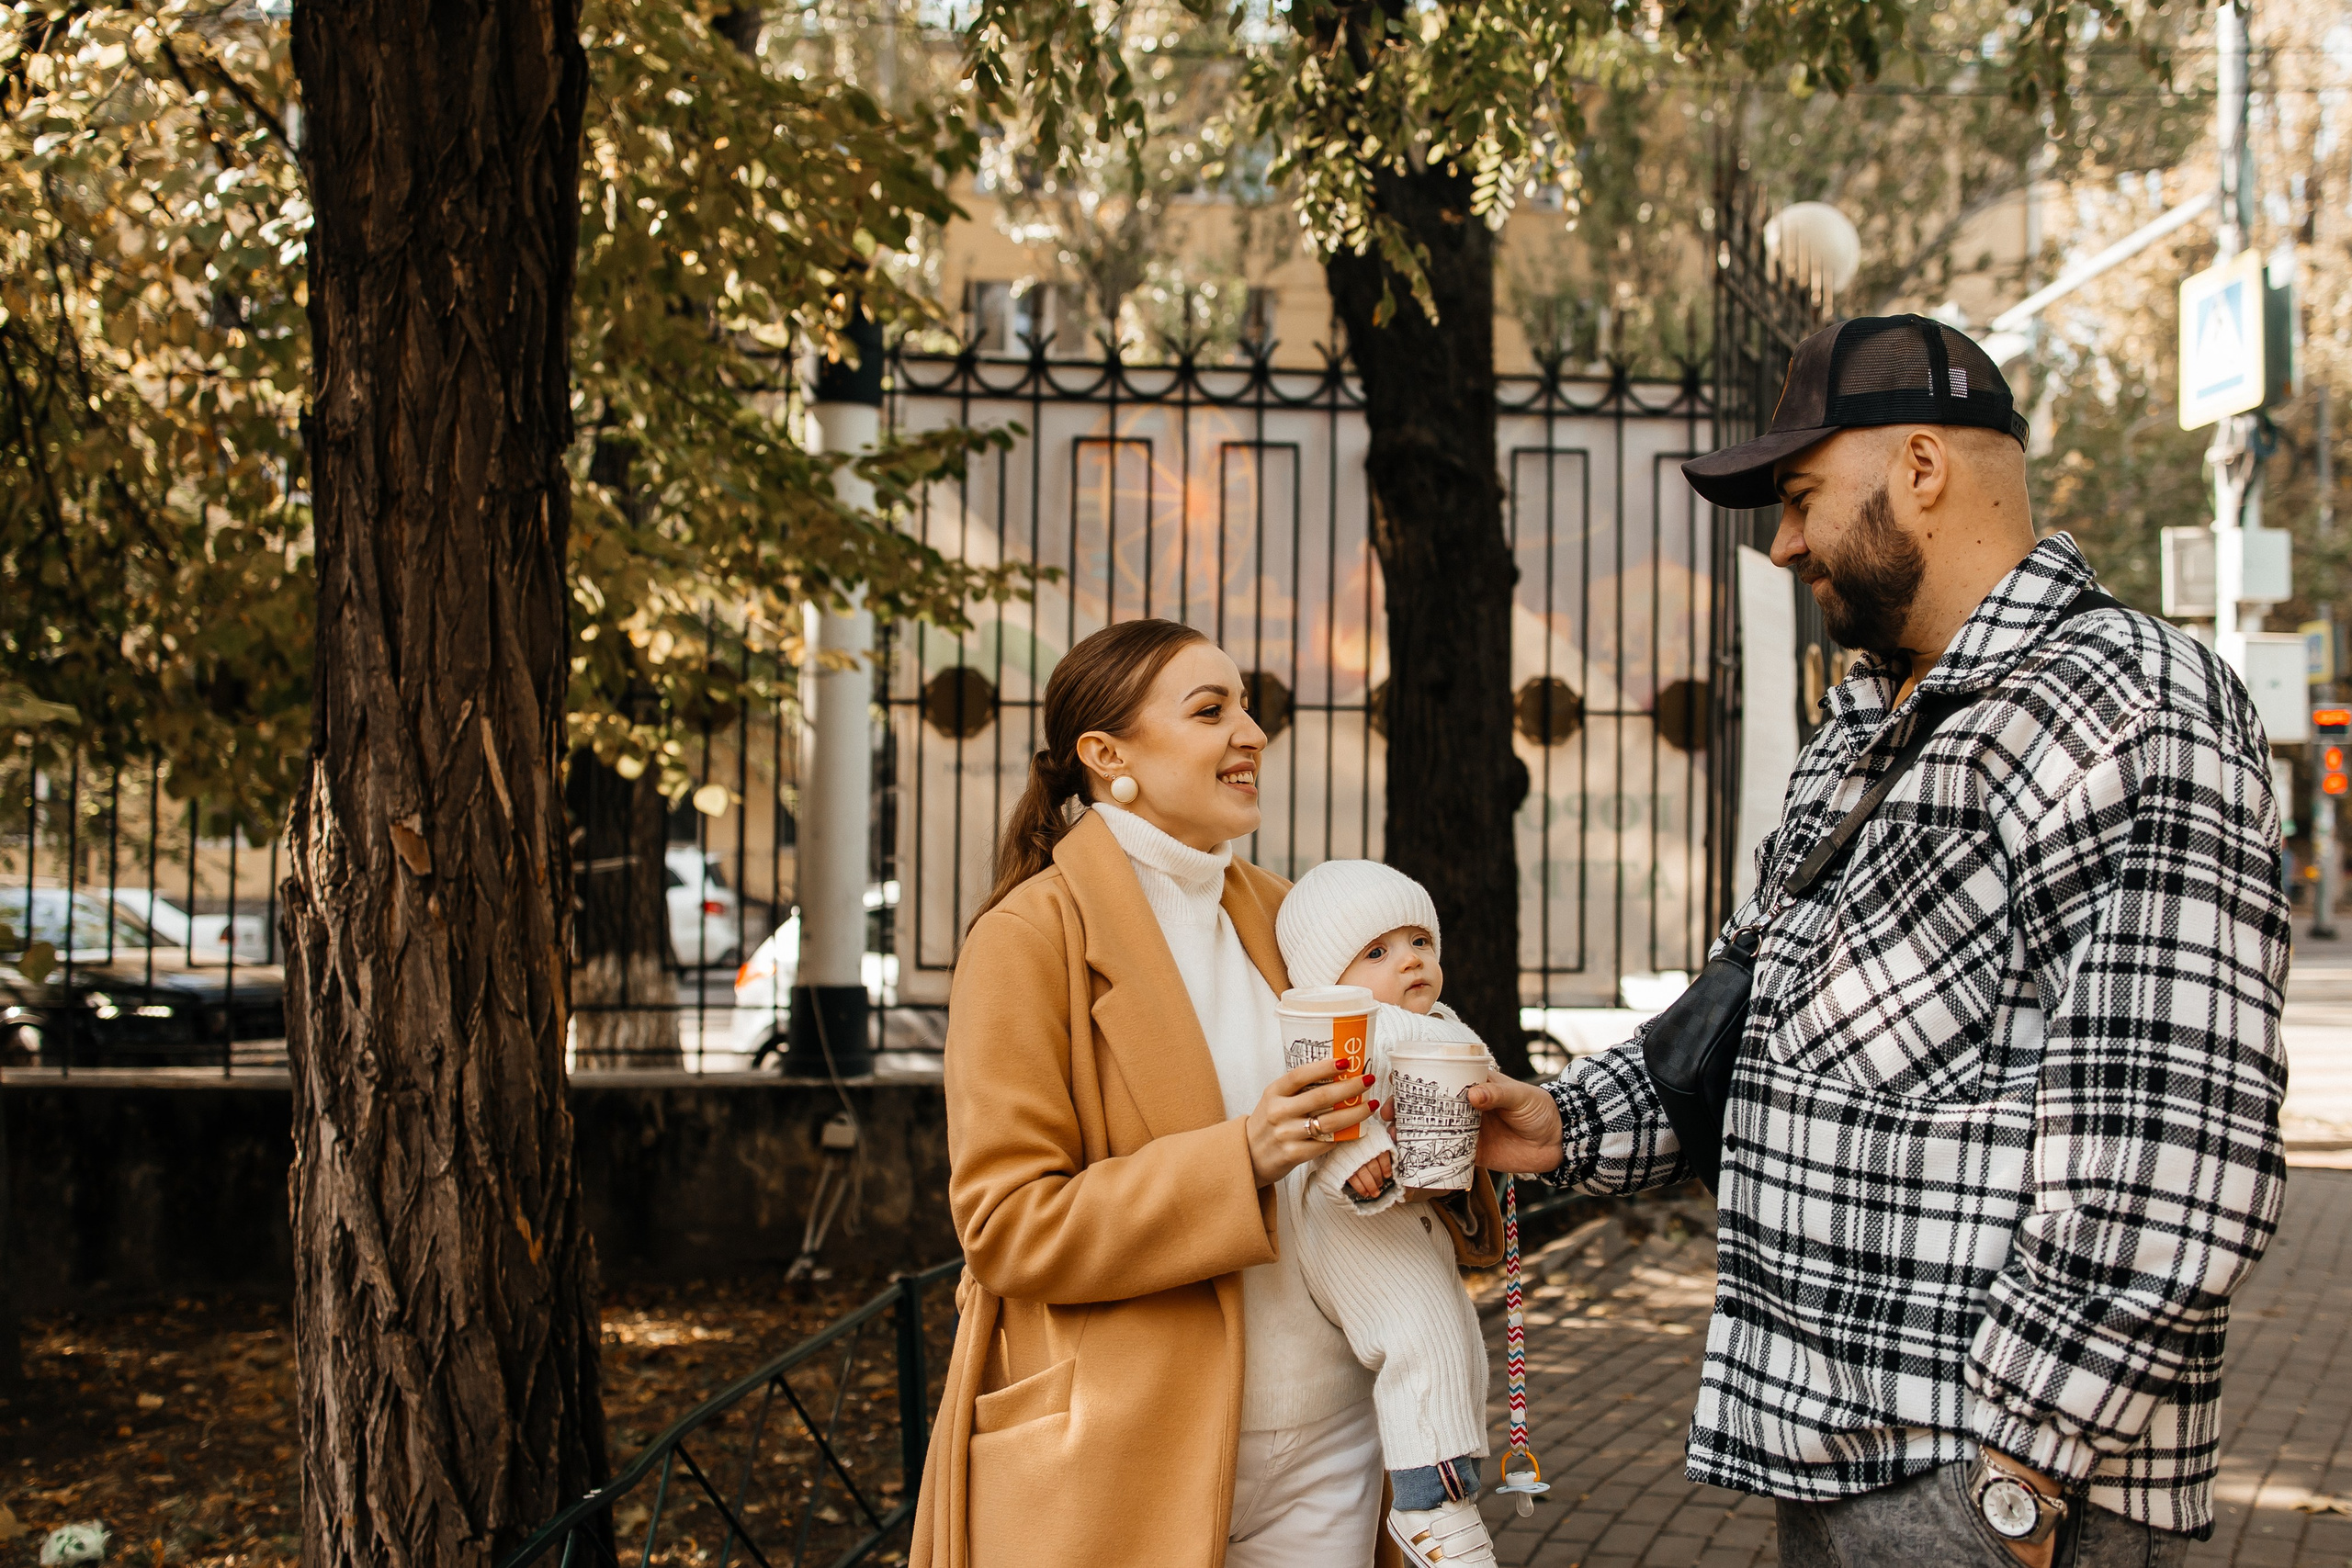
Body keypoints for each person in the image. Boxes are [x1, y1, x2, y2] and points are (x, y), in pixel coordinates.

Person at [1465, 316, 2290, 1568]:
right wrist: (1565, 1128)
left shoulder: (2130, 702)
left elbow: (2172, 1147)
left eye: (1801, 496)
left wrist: (2017, 1472)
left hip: (1997, 1480)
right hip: (1840, 1451)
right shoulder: (1865, 720)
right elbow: (1755, 1011)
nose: (1784, 541)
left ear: (1921, 466)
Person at [911, 618, 1504, 1568]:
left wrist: (1444, 1144)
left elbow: (1392, 1091)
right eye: (1208, 710)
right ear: (1107, 756)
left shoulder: (1290, 914)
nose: (1251, 731)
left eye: (1245, 705)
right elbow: (1007, 1224)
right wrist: (1245, 1155)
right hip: (1134, 1453)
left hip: (1333, 1442)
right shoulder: (1029, 938)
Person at [1274, 860, 1498, 1567]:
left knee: (1456, 1336)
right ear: (1329, 977)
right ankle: (1428, 1506)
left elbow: (1477, 1069)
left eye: (1419, 942)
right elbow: (1317, 1103)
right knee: (1417, 1335)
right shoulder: (1351, 1024)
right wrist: (1353, 1151)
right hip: (1350, 1217)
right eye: (1378, 951)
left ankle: (1452, 1479)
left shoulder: (1437, 1021)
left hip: (1412, 1210)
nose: (1409, 960)